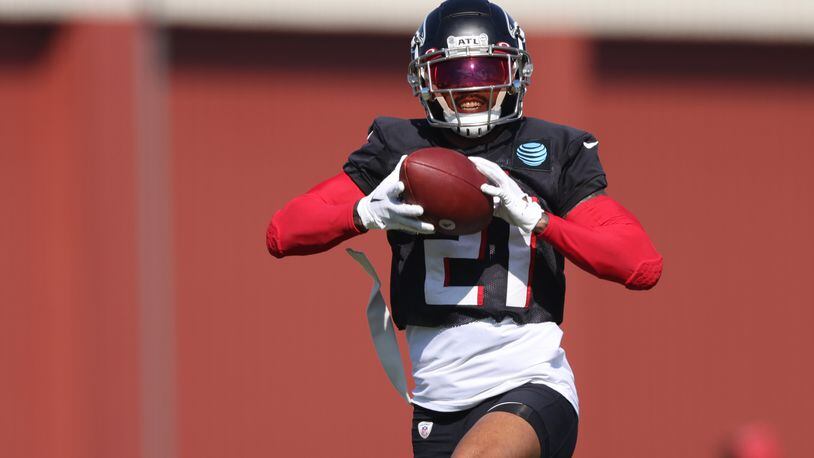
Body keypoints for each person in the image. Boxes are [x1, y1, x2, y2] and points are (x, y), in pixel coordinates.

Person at [267, 1, 663, 456]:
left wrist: (540, 220)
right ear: (424, 79)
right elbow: (282, 232)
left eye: (487, 70)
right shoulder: (400, 149)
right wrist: (364, 213)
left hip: (530, 383)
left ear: (516, 72)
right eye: (455, 75)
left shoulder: (553, 151)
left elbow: (641, 264)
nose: (472, 89)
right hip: (437, 402)